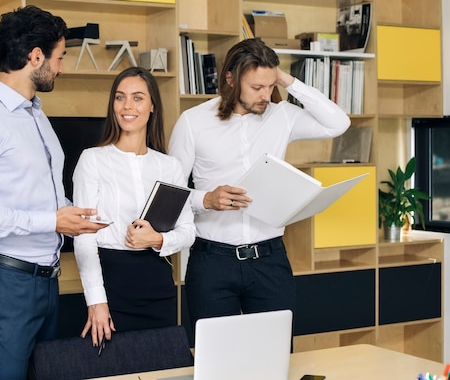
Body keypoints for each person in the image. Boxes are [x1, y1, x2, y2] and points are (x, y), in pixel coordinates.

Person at [0, 5, 108, 380]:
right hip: (4, 286)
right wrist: (50, 220)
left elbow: (39, 194)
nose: (61, 67)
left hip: (45, 283)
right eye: (59, 57)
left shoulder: (36, 114)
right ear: (35, 57)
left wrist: (71, 215)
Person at [168, 38, 350, 328]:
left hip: (270, 260)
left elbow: (338, 123)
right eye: (256, 87)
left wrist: (286, 79)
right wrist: (207, 199)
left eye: (270, 85)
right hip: (212, 262)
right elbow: (170, 195)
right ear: (230, 78)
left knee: (274, 361)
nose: (265, 95)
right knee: (218, 364)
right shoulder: (193, 122)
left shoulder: (282, 116)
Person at [73, 66, 195, 348]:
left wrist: (158, 239)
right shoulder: (92, 160)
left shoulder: (170, 166)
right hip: (111, 282)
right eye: (120, 97)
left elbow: (189, 231)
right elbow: (83, 237)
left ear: (152, 105)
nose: (127, 106)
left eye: (137, 97)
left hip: (158, 283)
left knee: (162, 369)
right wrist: (96, 301)